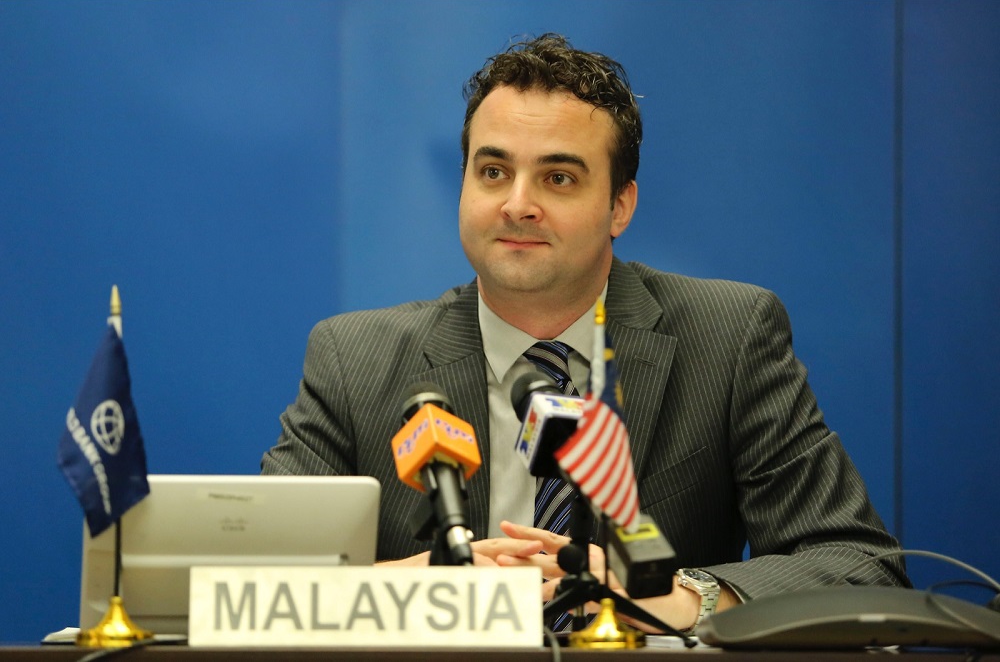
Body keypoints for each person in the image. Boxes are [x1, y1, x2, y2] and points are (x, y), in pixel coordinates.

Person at [261, 33, 908, 634]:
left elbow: (859, 564)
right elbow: (255, 583)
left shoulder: (728, 340)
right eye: (493, 172)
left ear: (619, 205)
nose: (518, 203)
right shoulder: (356, 360)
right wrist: (423, 584)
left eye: (558, 177)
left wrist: (678, 598)